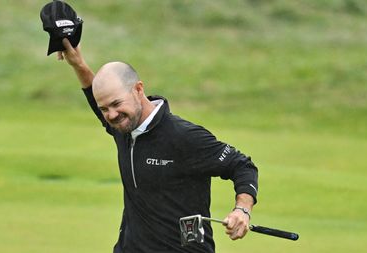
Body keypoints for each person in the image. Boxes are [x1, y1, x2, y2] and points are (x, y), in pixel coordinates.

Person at [56, 38, 259, 253]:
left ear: (138, 89)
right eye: (104, 109)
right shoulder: (123, 127)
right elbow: (93, 94)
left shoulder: (183, 136)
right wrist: (78, 64)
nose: (112, 115)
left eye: (116, 104)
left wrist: (242, 209)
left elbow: (242, 165)